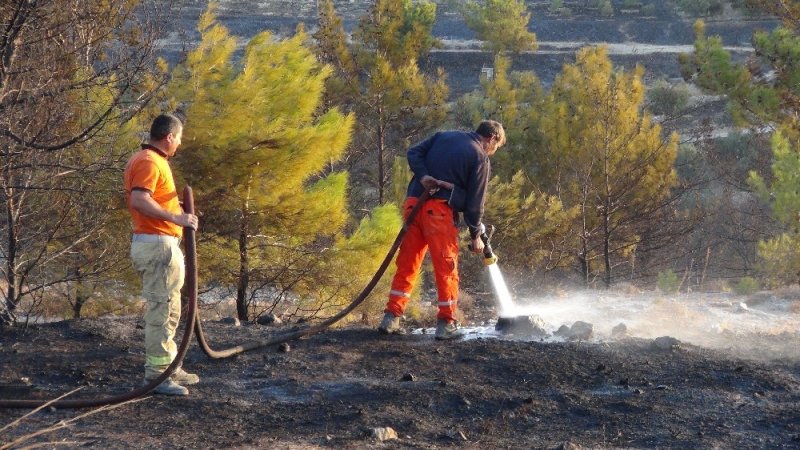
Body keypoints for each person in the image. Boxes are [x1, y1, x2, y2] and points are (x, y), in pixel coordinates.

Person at [378, 120, 506, 340]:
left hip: (412, 206)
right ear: (492, 138)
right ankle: (446, 323)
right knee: (446, 267)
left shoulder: (443, 136)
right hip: (437, 213)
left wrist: (424, 176)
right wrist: (476, 236)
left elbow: (414, 152)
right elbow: (475, 205)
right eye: (496, 147)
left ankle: (391, 318)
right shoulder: (479, 157)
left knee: (407, 263)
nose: (492, 152)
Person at [124, 113, 199, 396]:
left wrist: (174, 207)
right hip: (157, 246)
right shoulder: (149, 161)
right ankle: (156, 376)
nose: (179, 144)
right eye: (179, 138)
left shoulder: (153, 161)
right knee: (161, 310)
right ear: (169, 137)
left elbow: (150, 196)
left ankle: (169, 367)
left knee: (171, 309)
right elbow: (139, 199)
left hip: (161, 244)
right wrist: (175, 218)